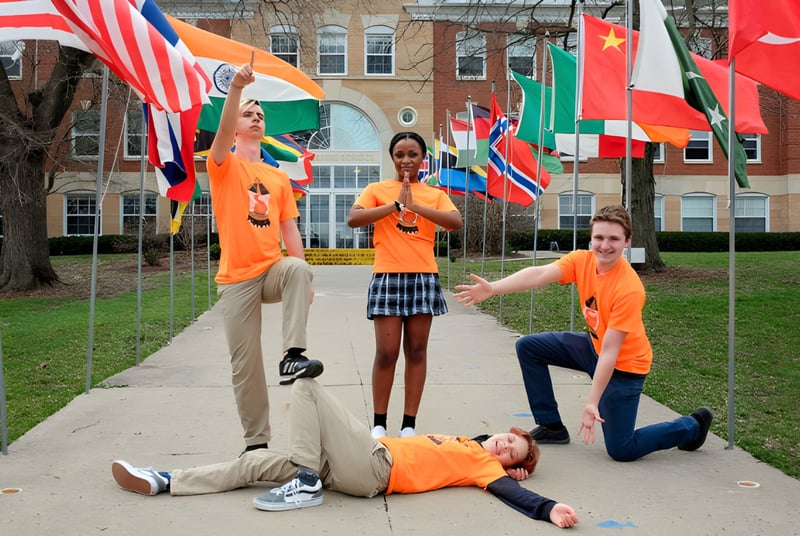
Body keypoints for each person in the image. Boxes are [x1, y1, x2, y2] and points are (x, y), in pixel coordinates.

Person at [111, 378, 578, 529]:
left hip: (375, 467)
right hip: (350, 464)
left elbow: (509, 494)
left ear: (510, 465)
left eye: (510, 451)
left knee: (308, 387)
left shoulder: (482, 467)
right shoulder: (467, 443)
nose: (501, 444)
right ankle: (165, 480)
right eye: (506, 437)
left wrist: (548, 506)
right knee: (255, 463)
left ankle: (307, 480)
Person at [453, 205, 713, 462]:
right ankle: (552, 426)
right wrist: (493, 289)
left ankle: (692, 426)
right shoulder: (582, 260)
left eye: (614, 239)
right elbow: (540, 272)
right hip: (592, 348)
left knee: (622, 449)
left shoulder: (629, 289)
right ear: (591, 238)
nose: (605, 245)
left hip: (624, 368)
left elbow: (611, 352)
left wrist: (592, 402)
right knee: (529, 347)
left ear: (627, 241)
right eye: (599, 237)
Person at [208, 62, 323, 453]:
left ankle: (293, 356)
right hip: (236, 279)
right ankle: (256, 442)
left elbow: (290, 230)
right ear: (237, 124)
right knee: (245, 365)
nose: (255, 118)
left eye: (260, 115)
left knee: (296, 267)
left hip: (272, 270)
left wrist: (304, 280)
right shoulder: (222, 164)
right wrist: (236, 89)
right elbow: (222, 133)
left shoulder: (278, 178)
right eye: (248, 114)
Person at [347, 132, 463, 439]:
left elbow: (455, 222)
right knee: (386, 352)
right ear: (392, 158)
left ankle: (409, 423)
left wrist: (416, 205)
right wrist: (395, 205)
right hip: (387, 276)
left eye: (413, 154)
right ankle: (379, 422)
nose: (406, 160)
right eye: (400, 154)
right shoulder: (377, 189)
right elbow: (354, 219)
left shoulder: (434, 194)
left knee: (417, 350)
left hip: (422, 276)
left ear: (423, 158)